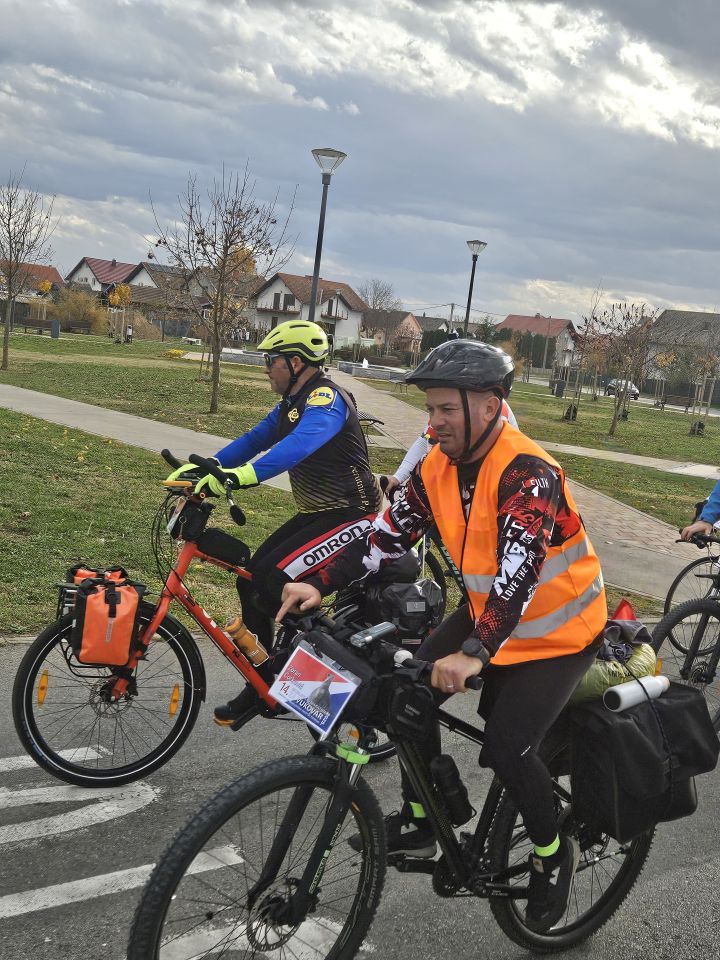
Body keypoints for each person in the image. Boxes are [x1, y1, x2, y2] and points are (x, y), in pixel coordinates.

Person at [277, 339, 607, 933]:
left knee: (508, 747)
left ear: (487, 405)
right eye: (429, 411)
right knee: (408, 695)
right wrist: (318, 582)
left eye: (443, 410)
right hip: (490, 613)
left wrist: (473, 654)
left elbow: (519, 575)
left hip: (558, 632)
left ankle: (553, 856)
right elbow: (384, 538)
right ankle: (426, 817)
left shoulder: (527, 473)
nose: (432, 424)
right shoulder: (437, 465)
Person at [166, 318, 382, 724]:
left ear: (296, 363)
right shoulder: (290, 406)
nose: (266, 367)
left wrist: (240, 476)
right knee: (251, 577)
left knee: (277, 583)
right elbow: (254, 440)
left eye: (271, 360)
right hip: (318, 514)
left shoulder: (326, 402)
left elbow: (297, 448)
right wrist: (209, 467)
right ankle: (262, 682)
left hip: (355, 515)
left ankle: (322, 690)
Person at [383, 399, 517, 499]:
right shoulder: (448, 406)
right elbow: (425, 441)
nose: (436, 420)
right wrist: (397, 477)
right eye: (431, 410)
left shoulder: (495, 414)